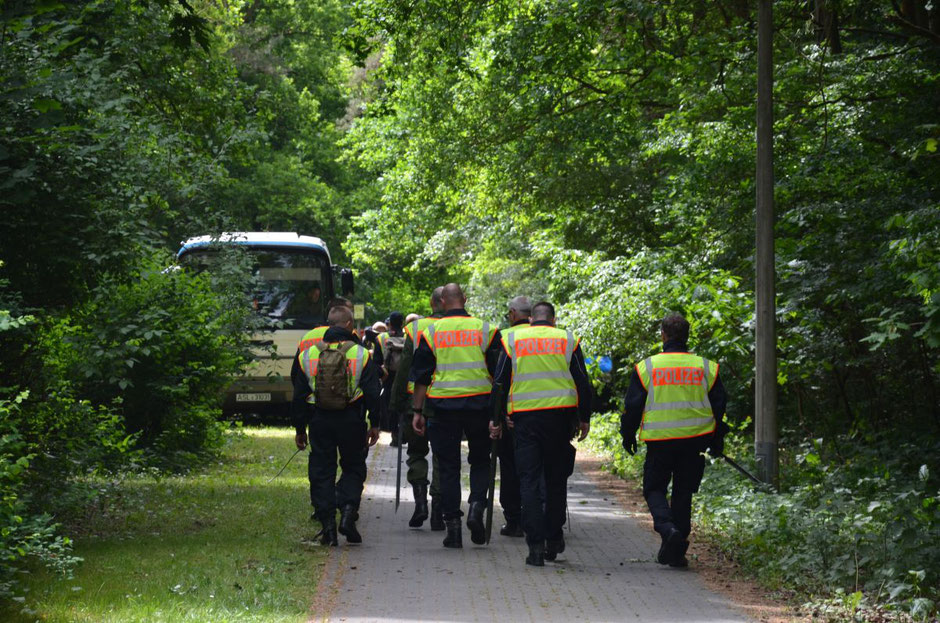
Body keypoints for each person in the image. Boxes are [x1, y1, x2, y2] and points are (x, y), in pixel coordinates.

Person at [620, 312, 728, 568]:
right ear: (687, 337)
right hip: (695, 440)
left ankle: (668, 531)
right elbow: (719, 406)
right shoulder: (706, 367)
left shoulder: (648, 367)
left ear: (663, 335)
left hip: (660, 440)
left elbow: (633, 407)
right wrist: (716, 438)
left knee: (654, 489)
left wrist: (628, 434)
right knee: (683, 492)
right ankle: (676, 551)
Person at [490, 301, 592, 566]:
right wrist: (585, 418)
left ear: (532, 319)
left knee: (529, 481)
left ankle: (535, 546)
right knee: (556, 481)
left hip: (525, 421)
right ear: (554, 320)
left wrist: (496, 419)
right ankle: (553, 536)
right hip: (560, 420)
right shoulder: (567, 340)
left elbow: (500, 381)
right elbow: (582, 380)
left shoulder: (513, 339)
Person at [411, 283, 502, 548]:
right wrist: (498, 412)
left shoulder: (431, 333)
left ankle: (453, 529)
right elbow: (499, 375)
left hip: (442, 407)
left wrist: (417, 411)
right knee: (481, 461)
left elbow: (420, 377)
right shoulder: (486, 330)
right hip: (480, 405)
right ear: (464, 299)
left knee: (448, 466)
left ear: (441, 301)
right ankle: (476, 507)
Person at [292, 305, 381, 546]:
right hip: (352, 419)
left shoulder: (307, 355)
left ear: (328, 324)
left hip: (320, 420)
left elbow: (298, 395)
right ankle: (349, 512)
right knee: (353, 466)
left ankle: (328, 527)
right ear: (350, 325)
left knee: (321, 471)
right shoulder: (362, 354)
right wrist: (375, 423)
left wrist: (300, 429)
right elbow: (373, 392)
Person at [390, 287, 445, 529]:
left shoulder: (415, 328)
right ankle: (438, 512)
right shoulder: (465, 327)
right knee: (444, 458)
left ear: (432, 303)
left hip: (416, 404)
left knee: (416, 453)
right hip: (446, 403)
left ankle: (421, 504)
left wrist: (397, 402)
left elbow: (405, 369)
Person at [494, 295, 532, 538]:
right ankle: (537, 518)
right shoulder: (555, 339)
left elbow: (499, 381)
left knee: (510, 468)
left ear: (512, 314)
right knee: (537, 469)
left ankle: (514, 520)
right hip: (549, 416)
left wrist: (496, 417)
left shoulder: (506, 339)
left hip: (513, 417)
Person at [377, 312, 406, 444]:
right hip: (404, 377)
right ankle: (404, 432)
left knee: (390, 405)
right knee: (404, 405)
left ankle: (394, 434)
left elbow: (376, 361)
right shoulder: (409, 337)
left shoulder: (381, 338)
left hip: (388, 377)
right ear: (402, 323)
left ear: (389, 323)